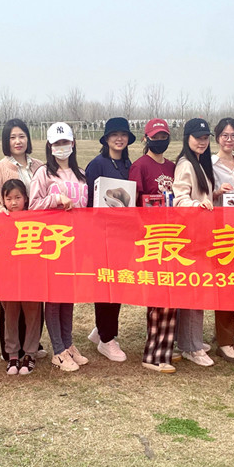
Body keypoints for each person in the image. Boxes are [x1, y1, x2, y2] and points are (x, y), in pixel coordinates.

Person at [0, 118, 46, 362]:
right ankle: (9, 348)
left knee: (33, 293)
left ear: (28, 138)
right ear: (6, 141)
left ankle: (32, 345)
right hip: (10, 241)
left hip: (36, 239)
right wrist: (3, 212)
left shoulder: (40, 166)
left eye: (21, 136)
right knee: (10, 295)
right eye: (12, 137)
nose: (18, 141)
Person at [29, 122, 90, 371]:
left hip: (76, 243)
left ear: (73, 144)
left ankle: (68, 343)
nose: (61, 147)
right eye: (56, 143)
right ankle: (57, 350)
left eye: (65, 142)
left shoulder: (82, 173)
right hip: (52, 243)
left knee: (68, 295)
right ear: (49, 146)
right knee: (53, 297)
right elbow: (32, 206)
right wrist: (55, 198)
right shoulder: (43, 173)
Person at [128, 118, 177, 373]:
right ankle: (153, 354)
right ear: (146, 138)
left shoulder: (172, 166)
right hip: (151, 239)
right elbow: (133, 203)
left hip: (173, 238)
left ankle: (166, 347)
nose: (160, 141)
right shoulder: (140, 166)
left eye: (164, 137)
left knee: (172, 295)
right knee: (158, 298)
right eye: (156, 137)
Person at [85, 116, 135, 362]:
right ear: (106, 139)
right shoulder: (97, 164)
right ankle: (107, 339)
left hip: (124, 235)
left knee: (119, 283)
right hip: (101, 235)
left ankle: (101, 330)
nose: (119, 139)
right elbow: (88, 202)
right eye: (114, 135)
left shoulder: (128, 164)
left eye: (123, 135)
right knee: (105, 284)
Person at [172, 118, 216, 368]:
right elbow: (179, 200)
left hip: (202, 235)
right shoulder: (186, 164)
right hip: (189, 237)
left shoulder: (200, 163)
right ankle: (192, 346)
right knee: (194, 292)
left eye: (205, 137)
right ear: (187, 138)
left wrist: (214, 196)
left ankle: (190, 339)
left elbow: (201, 195)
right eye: (197, 137)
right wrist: (196, 205)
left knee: (196, 291)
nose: (202, 141)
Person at [209, 118, 234, 363]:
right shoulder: (210, 164)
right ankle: (224, 341)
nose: (229, 139)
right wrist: (217, 193)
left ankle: (225, 332)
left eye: (233, 135)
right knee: (225, 283)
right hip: (218, 230)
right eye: (224, 135)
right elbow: (203, 195)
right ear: (217, 138)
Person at [0, 178, 43, 375]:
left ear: (26, 198)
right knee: (11, 314)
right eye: (9, 198)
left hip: (31, 276)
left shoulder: (36, 219)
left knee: (33, 313)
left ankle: (30, 353)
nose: (14, 202)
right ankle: (12, 354)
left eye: (18, 197)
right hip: (8, 277)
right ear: (3, 200)